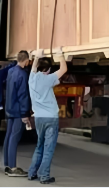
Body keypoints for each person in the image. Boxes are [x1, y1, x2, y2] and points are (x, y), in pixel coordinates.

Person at [27, 50, 68, 184]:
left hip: (38, 118)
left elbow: (33, 68)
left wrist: (36, 57)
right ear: (48, 70)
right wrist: (60, 54)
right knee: (48, 149)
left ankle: (32, 172)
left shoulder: (31, 79)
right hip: (50, 118)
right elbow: (64, 69)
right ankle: (44, 176)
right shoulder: (48, 79)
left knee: (39, 146)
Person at [3, 50, 31, 177]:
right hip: (19, 111)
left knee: (9, 136)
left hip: (10, 109)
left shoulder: (11, 71)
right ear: (27, 61)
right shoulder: (23, 74)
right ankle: (13, 168)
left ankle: (7, 164)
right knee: (14, 138)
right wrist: (25, 113)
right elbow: (23, 95)